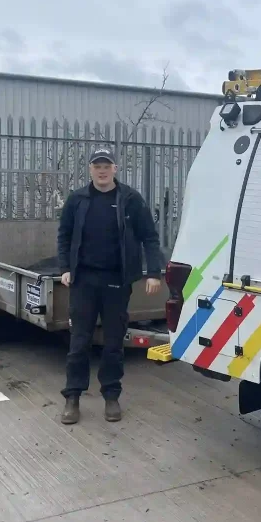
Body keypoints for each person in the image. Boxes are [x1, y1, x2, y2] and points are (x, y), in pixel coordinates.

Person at [56, 146, 164, 424]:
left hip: (117, 281)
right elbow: (64, 235)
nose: (102, 170)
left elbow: (149, 237)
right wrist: (66, 268)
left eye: (106, 165)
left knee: (114, 343)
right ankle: (72, 397)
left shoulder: (130, 200)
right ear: (90, 169)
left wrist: (153, 272)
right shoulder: (77, 199)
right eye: (97, 166)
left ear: (115, 169)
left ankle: (111, 396)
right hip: (84, 281)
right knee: (79, 342)